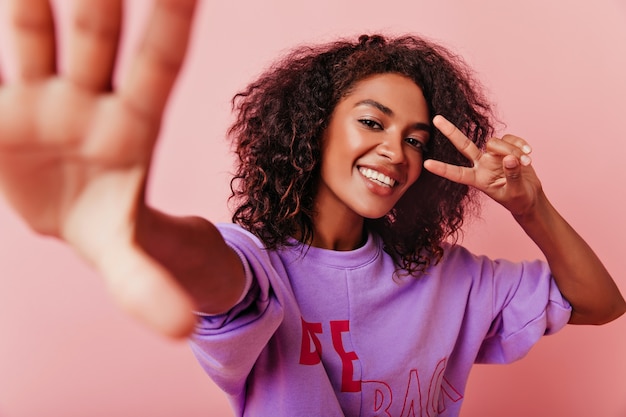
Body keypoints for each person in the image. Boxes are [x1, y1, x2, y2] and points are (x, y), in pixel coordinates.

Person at [0, 1, 624, 416]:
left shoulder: (446, 277)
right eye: (372, 122)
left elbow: (603, 304)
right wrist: (130, 223)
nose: (396, 150)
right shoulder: (258, 267)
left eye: (414, 138)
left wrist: (531, 205)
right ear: (312, 130)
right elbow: (215, 272)